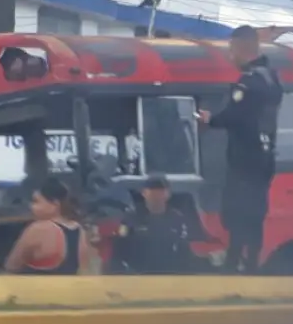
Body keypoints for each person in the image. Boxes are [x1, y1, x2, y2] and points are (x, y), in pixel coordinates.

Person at [197, 24, 282, 273]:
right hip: (265, 162)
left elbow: (234, 117)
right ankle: (252, 263)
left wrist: (208, 119)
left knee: (237, 216)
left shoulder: (248, 83)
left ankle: (234, 264)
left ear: (241, 47)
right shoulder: (272, 78)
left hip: (244, 163)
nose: (229, 56)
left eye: (231, 49)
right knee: (255, 217)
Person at [4, 176, 99, 275]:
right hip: (69, 288)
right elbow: (84, 267)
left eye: (36, 201)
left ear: (55, 204)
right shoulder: (79, 230)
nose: (31, 206)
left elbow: (12, 266)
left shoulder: (38, 229)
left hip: (38, 288)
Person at [111, 175, 199, 274]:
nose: (157, 196)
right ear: (144, 193)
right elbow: (119, 249)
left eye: (161, 192)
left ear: (168, 194)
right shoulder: (131, 218)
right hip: (137, 274)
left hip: (169, 275)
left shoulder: (177, 219)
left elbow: (185, 251)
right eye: (152, 192)